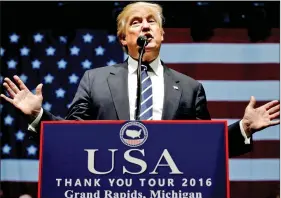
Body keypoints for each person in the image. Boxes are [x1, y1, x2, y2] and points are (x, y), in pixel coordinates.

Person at [0, 2, 279, 158]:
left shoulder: (190, 87)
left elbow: (205, 144)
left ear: (162, 34)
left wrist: (242, 128)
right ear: (123, 39)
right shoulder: (95, 80)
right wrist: (38, 116)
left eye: (151, 21)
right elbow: (72, 134)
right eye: (135, 22)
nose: (145, 25)